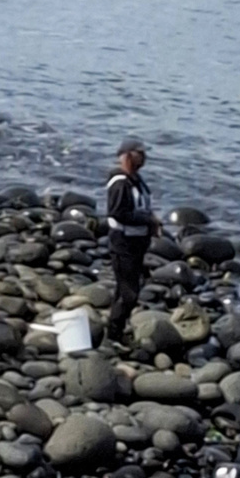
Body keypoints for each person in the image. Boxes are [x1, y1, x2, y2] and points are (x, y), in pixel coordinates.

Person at [106, 136, 159, 342]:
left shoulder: (137, 180)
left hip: (137, 242)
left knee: (124, 289)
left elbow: (140, 207)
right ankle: (114, 334)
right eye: (140, 154)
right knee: (129, 293)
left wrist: (151, 223)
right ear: (128, 156)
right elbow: (117, 213)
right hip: (123, 243)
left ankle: (115, 329)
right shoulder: (120, 183)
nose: (144, 158)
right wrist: (147, 220)